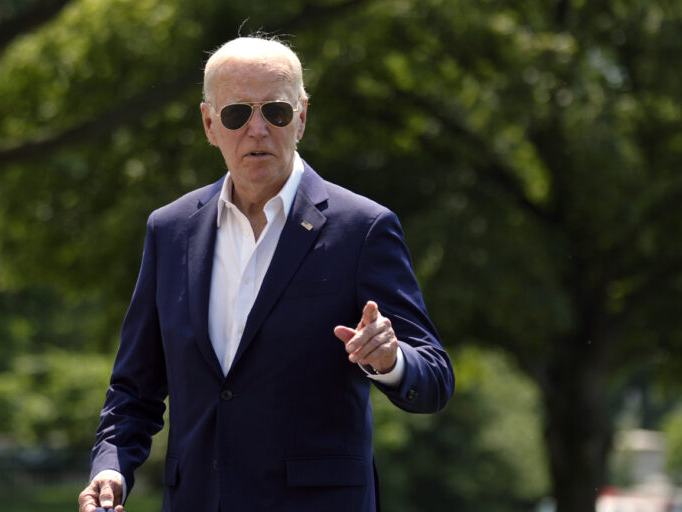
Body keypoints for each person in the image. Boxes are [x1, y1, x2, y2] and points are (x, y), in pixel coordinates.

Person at [78, 35, 454, 512]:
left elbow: (435, 378)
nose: (257, 129)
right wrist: (111, 469)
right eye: (237, 114)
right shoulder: (169, 230)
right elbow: (134, 387)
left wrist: (389, 360)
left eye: (274, 111)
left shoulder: (363, 227)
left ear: (301, 117)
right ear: (210, 123)